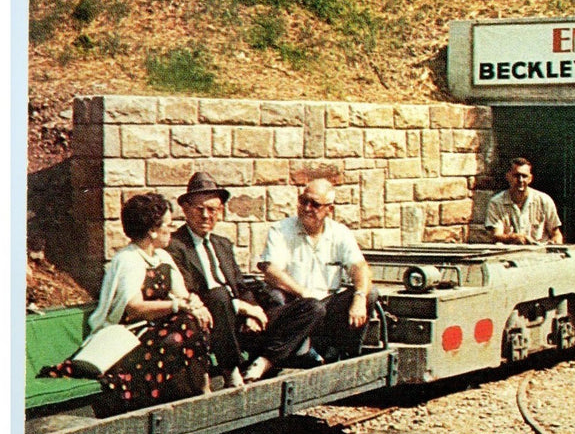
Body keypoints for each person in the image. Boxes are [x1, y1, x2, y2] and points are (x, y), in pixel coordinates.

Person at [40, 193, 213, 416]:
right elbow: (134, 307)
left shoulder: (162, 256)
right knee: (184, 326)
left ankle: (200, 391)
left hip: (156, 332)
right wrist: (177, 306)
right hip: (130, 337)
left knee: (193, 321)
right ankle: (173, 395)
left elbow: (182, 294)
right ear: (152, 230)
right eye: (168, 225)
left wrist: (195, 304)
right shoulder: (128, 260)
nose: (171, 230)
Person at [167, 172, 325, 386]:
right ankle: (230, 370)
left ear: (220, 211)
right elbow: (191, 291)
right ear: (185, 210)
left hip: (243, 322)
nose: (206, 215)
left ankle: (264, 362)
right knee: (219, 295)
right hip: (213, 321)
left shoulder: (222, 244)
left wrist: (253, 311)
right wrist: (242, 308)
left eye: (212, 209)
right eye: (199, 209)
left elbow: (241, 286)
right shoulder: (175, 245)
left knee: (313, 308)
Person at [257, 178, 376, 369]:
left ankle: (342, 357)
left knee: (370, 293)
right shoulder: (280, 230)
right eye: (303, 201)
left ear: (330, 209)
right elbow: (271, 270)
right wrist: (303, 293)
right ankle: (295, 354)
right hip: (295, 307)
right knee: (312, 307)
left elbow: (359, 267)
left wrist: (360, 297)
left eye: (315, 204)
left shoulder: (340, 233)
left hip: (326, 309)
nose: (307, 208)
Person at [485, 157, 564, 245]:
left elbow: (556, 234)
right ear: (508, 176)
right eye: (516, 175)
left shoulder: (544, 200)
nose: (520, 180)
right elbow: (496, 235)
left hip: (539, 255)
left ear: (530, 178)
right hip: (508, 255)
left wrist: (555, 243)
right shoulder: (496, 203)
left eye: (524, 176)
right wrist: (514, 237)